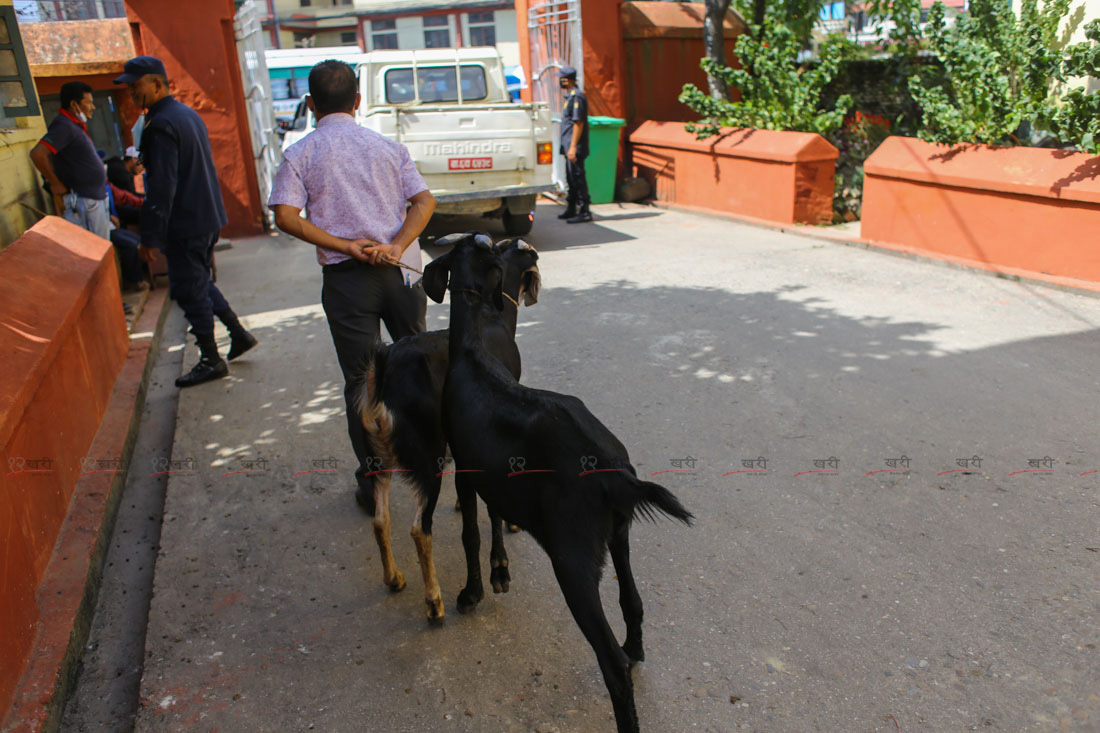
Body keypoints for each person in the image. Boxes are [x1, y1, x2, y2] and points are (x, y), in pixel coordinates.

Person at [268, 59, 436, 511]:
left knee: (363, 383)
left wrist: (344, 244)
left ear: (310, 104)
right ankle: (433, 462)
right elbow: (424, 201)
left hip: (347, 283)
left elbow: (285, 215)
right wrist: (398, 244)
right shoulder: (387, 147)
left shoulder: (301, 153)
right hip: (401, 274)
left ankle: (374, 483)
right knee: (420, 367)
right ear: (358, 101)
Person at [114, 55, 258, 388]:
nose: (133, 94)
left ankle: (211, 359)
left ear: (156, 83)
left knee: (189, 289)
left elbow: (162, 186)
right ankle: (237, 333)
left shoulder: (161, 123)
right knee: (198, 281)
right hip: (206, 214)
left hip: (186, 220)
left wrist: (149, 236)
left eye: (136, 86)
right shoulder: (184, 114)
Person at [28, 81, 111, 238]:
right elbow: (38, 154)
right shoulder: (64, 126)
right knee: (92, 250)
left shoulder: (74, 126)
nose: (92, 107)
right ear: (74, 104)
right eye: (88, 103)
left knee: (101, 248)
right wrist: (55, 183)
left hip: (92, 200)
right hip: (83, 202)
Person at [557, 66, 592, 224]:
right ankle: (571, 208)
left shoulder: (577, 97)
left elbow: (578, 123)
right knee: (570, 179)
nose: (560, 81)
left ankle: (584, 210)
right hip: (569, 145)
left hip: (575, 147)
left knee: (578, 178)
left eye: (562, 78)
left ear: (567, 79)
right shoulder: (570, 96)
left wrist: (572, 147)